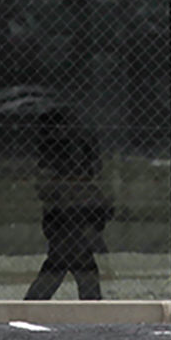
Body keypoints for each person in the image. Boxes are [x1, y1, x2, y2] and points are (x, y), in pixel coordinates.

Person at [24, 110, 113, 300]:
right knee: (73, 264)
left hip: (72, 214)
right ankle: (91, 307)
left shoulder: (67, 149)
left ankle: (31, 307)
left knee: (67, 263)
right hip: (66, 215)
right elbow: (47, 187)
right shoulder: (57, 151)